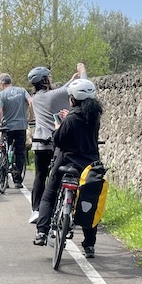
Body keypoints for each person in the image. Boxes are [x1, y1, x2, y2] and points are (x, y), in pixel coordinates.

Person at [33, 78, 103, 257]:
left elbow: (58, 140)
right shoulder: (94, 117)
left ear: (72, 99)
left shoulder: (70, 119)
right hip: (89, 167)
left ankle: (42, 231)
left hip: (66, 163)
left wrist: (59, 125)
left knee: (49, 195)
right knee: (89, 200)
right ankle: (89, 245)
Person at [25, 62, 87, 224]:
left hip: (39, 143)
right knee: (56, 177)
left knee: (40, 175)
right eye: (49, 77)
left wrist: (70, 79)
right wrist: (82, 71)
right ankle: (60, 208)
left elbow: (61, 90)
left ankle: (36, 210)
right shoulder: (55, 95)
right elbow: (81, 90)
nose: (51, 79)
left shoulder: (36, 98)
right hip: (56, 143)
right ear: (45, 80)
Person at [0, 72, 29, 188]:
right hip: (21, 126)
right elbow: (31, 102)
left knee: (4, 148)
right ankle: (17, 180)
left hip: (7, 127)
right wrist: (31, 117)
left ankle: (3, 178)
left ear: (2, 84)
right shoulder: (22, 90)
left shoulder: (1, 95)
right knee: (19, 152)